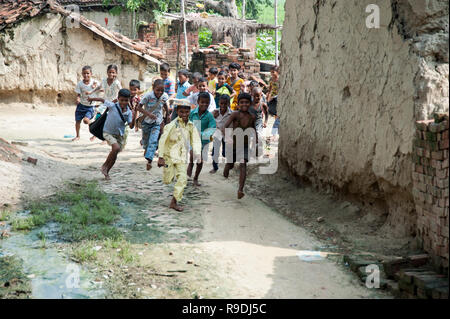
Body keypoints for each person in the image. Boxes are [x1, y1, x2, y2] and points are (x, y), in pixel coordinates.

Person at [158, 100, 202, 212]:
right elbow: (163, 140)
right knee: (168, 180)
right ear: (177, 111)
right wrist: (161, 157)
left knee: (183, 179)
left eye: (186, 112)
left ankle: (174, 202)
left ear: (189, 112)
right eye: (181, 112)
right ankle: (170, 175)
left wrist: (197, 154)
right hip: (168, 156)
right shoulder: (171, 125)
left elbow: (196, 140)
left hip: (181, 157)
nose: (184, 114)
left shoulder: (191, 126)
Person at [88, 89, 136, 180]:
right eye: (122, 100)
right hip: (107, 132)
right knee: (116, 148)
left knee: (115, 154)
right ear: (118, 99)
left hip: (119, 135)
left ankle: (106, 170)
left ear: (129, 100)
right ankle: (104, 165)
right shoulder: (113, 106)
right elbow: (102, 100)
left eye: (126, 100)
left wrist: (134, 115)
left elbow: (131, 126)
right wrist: (91, 98)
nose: (124, 102)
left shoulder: (129, 112)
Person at [221, 93, 257, 199]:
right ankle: (226, 169)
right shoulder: (235, 115)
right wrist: (227, 137)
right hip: (233, 145)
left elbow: (254, 130)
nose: (244, 104)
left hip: (244, 145)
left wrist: (256, 143)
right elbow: (225, 126)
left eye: (246, 102)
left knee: (243, 164)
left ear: (250, 104)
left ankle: (240, 189)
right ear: (238, 104)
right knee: (230, 165)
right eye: (242, 102)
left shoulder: (252, 117)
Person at [136, 79, 169, 171]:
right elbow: (138, 107)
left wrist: (167, 116)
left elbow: (165, 105)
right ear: (153, 88)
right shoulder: (148, 96)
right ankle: (146, 148)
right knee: (146, 143)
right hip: (146, 122)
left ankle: (149, 161)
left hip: (157, 122)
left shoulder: (164, 96)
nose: (160, 92)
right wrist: (148, 114)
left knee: (154, 140)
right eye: (157, 90)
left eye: (162, 90)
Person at [187, 92, 216, 186]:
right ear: (198, 102)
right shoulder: (192, 113)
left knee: (200, 161)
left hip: (204, 142)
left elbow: (212, 127)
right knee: (192, 156)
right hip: (193, 140)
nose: (204, 104)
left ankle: (195, 178)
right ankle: (189, 172)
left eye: (207, 103)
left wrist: (202, 134)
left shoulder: (209, 116)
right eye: (202, 102)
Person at [73, 65, 99, 142]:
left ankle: (95, 132)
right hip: (81, 105)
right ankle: (77, 136)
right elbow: (78, 94)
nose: (86, 75)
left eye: (88, 73)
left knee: (86, 120)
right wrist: (78, 99)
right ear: (82, 74)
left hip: (90, 106)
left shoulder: (94, 82)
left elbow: (101, 89)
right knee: (77, 121)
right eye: (84, 73)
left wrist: (95, 87)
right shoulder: (80, 84)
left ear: (91, 74)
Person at [210, 95, 232, 174]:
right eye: (221, 103)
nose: (223, 106)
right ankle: (215, 167)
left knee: (225, 153)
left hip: (227, 134)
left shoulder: (231, 113)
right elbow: (209, 118)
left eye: (225, 104)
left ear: (228, 104)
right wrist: (213, 116)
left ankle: (227, 160)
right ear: (219, 103)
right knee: (215, 151)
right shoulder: (215, 112)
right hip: (217, 133)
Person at [267, 65, 280, 138]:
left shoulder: (280, 79)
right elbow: (270, 89)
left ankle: (274, 133)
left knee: (278, 116)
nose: (272, 74)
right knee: (276, 115)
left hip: (278, 98)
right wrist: (268, 97)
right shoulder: (271, 80)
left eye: (273, 72)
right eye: (271, 72)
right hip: (272, 98)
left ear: (277, 72)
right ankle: (275, 132)